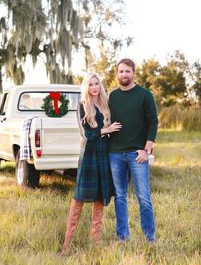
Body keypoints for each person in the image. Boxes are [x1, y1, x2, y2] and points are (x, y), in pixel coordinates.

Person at [60, 72, 122, 255]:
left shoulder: (105, 104)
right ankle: (65, 247)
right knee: (78, 201)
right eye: (90, 84)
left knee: (98, 202)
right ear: (86, 87)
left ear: (100, 85)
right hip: (89, 155)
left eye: (96, 83)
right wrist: (106, 129)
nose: (94, 87)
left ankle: (95, 247)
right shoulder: (82, 105)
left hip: (104, 154)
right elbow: (88, 134)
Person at [109, 58, 158, 243]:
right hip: (114, 153)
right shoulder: (112, 96)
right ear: (117, 74)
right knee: (120, 197)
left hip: (138, 154)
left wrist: (146, 150)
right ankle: (122, 237)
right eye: (121, 71)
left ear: (134, 73)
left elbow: (153, 122)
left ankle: (149, 238)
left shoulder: (145, 95)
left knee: (143, 198)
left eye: (127, 71)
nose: (124, 75)